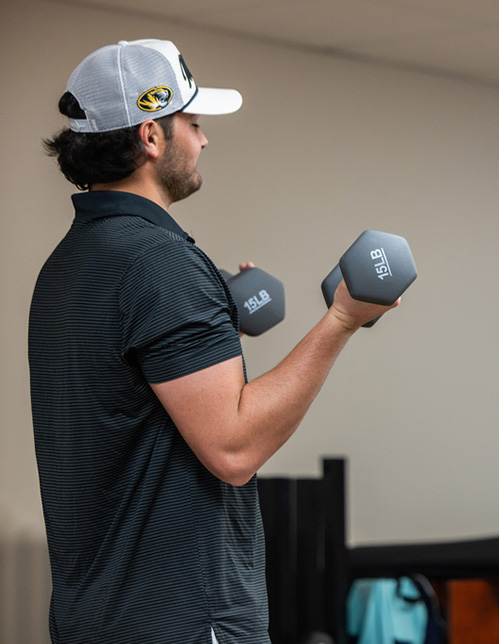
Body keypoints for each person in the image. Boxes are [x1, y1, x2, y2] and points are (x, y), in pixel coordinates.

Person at [29, 39, 397, 644]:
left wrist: (212, 316)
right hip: (186, 622)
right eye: (193, 124)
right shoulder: (161, 264)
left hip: (92, 621)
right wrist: (341, 321)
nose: (203, 141)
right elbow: (234, 448)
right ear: (151, 137)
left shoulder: (66, 267)